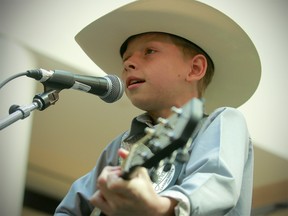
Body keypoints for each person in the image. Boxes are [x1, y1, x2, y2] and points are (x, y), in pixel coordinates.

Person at [55, 0, 261, 215]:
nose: (127, 64)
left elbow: (215, 181)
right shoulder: (120, 146)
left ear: (195, 68)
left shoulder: (224, 121)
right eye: (125, 59)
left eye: (149, 51)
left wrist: (160, 207)